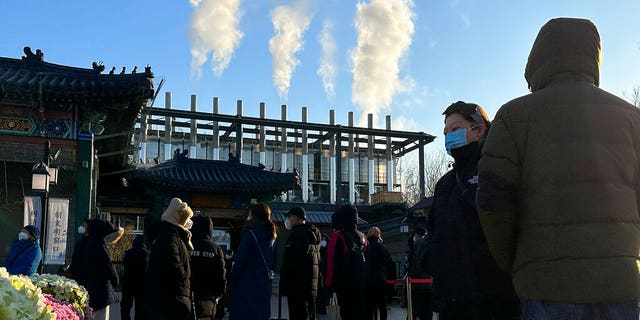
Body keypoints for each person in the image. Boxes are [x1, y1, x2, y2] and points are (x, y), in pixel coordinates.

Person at [477, 17, 640, 319]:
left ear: (537, 59)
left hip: (546, 288)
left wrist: (517, 262)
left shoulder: (514, 116)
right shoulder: (633, 119)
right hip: (621, 289)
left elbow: (492, 201)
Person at [426, 101, 519, 320]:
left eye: (456, 129)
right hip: (452, 299)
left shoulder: (498, 171)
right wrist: (429, 257)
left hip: (494, 298)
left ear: (479, 130)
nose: (449, 137)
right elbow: (432, 231)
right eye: (446, 132)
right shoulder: (445, 184)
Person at [144, 197, 195, 320]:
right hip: (172, 300)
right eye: (188, 219)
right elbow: (174, 267)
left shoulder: (168, 235)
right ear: (179, 218)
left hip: (166, 299)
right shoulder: (170, 238)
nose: (189, 222)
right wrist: (185, 283)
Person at [229, 202, 277, 320]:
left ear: (254, 215)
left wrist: (231, 280)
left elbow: (240, 261)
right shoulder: (272, 235)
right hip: (264, 285)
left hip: (247, 285)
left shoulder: (251, 234)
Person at [325, 204, 367, 320]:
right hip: (361, 281)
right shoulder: (362, 236)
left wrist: (329, 285)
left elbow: (331, 261)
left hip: (343, 283)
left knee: (347, 313)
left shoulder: (338, 236)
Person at [280, 206, 321, 320]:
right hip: (311, 284)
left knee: (297, 314)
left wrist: (284, 282)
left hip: (297, 285)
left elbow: (292, 261)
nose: (288, 219)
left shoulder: (297, 235)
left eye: (289, 217)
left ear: (296, 218)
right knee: (310, 314)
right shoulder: (314, 233)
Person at [83, 218, 124, 320]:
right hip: (102, 292)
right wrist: (116, 281)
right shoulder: (100, 247)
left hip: (91, 288)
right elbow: (109, 268)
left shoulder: (88, 244)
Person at [190, 214, 226, 320]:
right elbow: (221, 276)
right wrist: (217, 295)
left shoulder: (185, 246)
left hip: (188, 298)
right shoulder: (215, 249)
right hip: (208, 298)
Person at [364, 227, 393, 320]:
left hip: (368, 280)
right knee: (382, 306)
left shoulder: (366, 248)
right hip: (381, 279)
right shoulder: (384, 248)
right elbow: (391, 265)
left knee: (369, 307)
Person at [121, 235, 148, 320]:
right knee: (139, 307)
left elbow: (125, 266)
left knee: (125, 306)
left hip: (128, 282)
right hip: (141, 283)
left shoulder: (128, 253)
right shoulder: (145, 254)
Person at [408, 227, 431, 320]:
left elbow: (416, 263)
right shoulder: (429, 242)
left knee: (415, 310)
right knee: (427, 311)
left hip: (418, 283)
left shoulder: (418, 243)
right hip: (429, 282)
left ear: (416, 235)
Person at [69, 219, 89, 288]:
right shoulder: (80, 242)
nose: (81, 227)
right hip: (78, 277)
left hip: (86, 278)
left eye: (84, 225)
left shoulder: (93, 243)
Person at [315, 233, 330, 315]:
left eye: (324, 239)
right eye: (322, 239)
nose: (323, 241)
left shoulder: (328, 251)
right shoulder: (318, 251)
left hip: (325, 275)